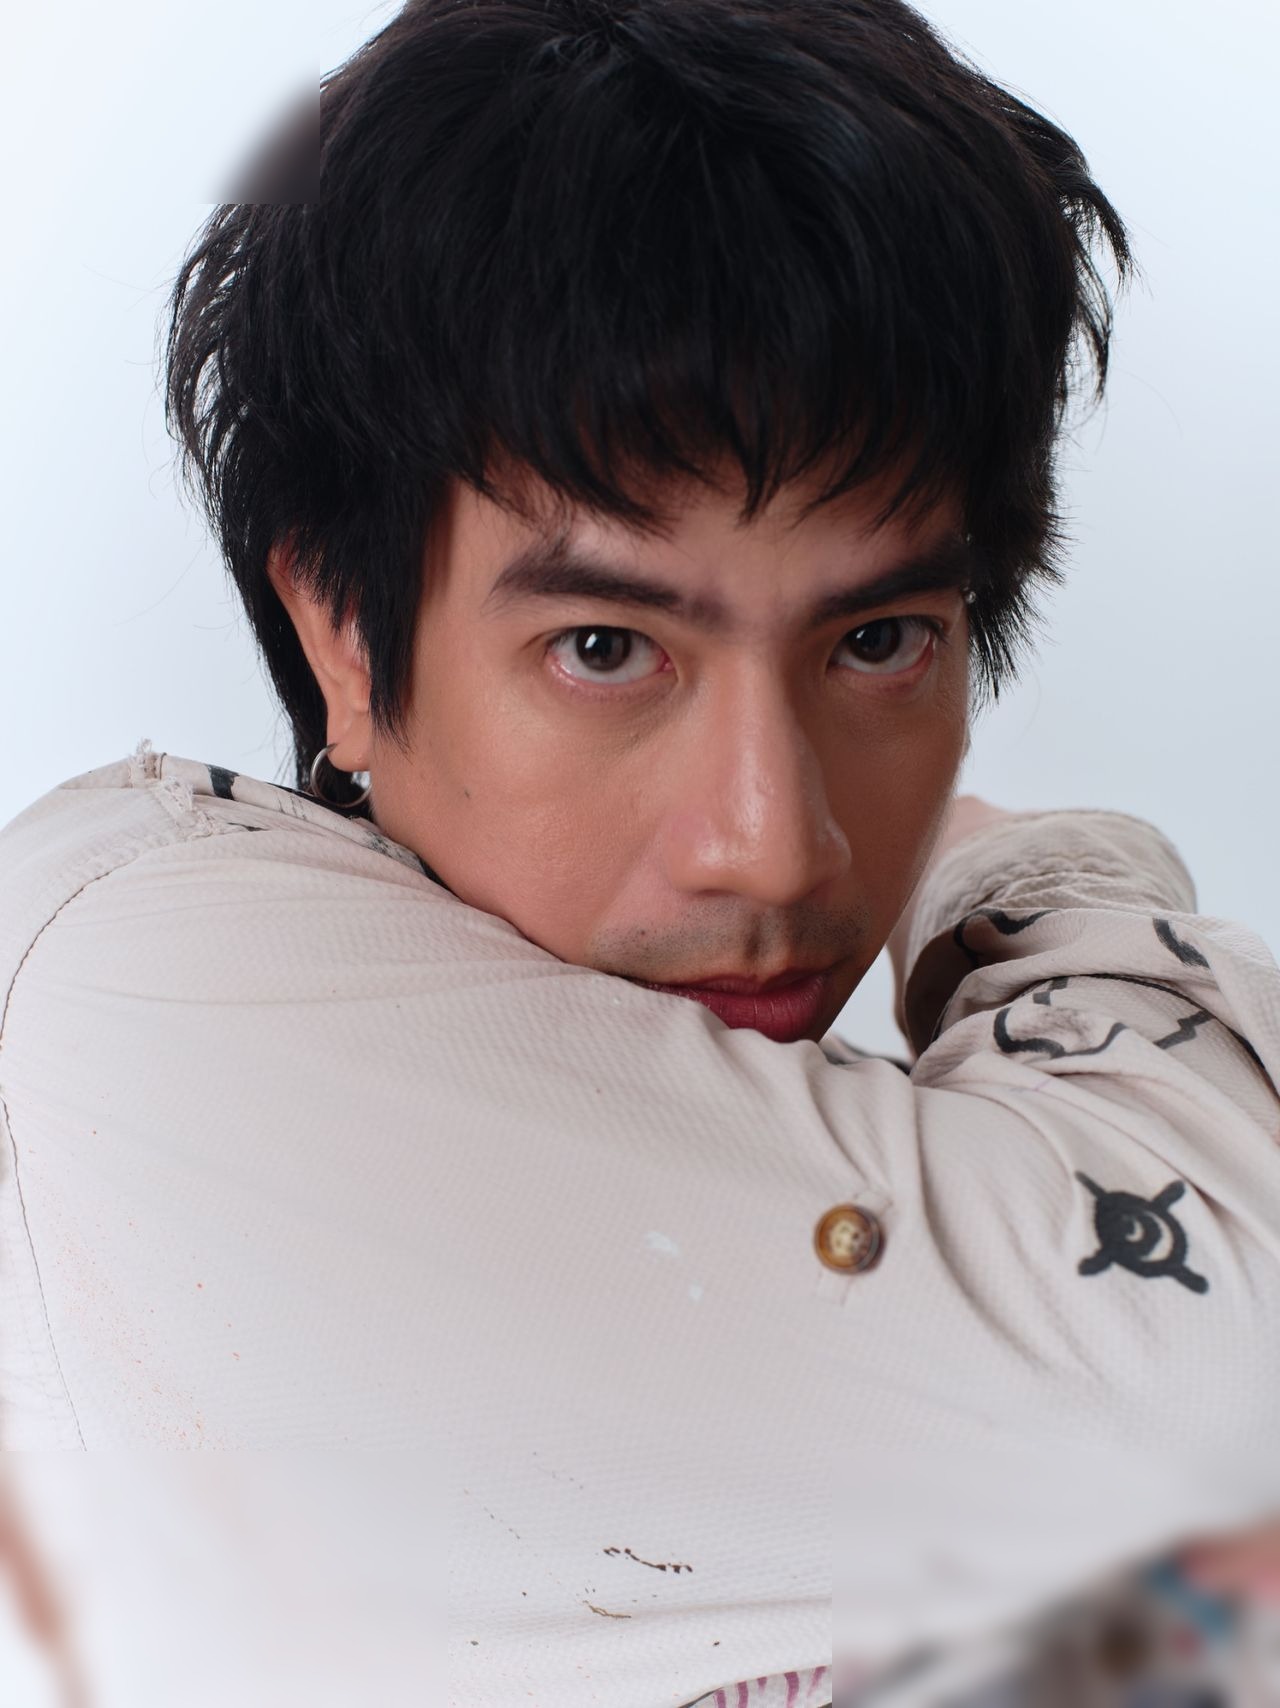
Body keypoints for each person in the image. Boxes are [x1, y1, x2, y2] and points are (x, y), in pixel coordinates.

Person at [1, 1, 1278, 1702]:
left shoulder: (825, 1190)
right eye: (606, 648)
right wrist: (1028, 878)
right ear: (340, 635)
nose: (775, 846)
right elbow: (1228, 1392)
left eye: (879, 640)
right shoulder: (136, 991)